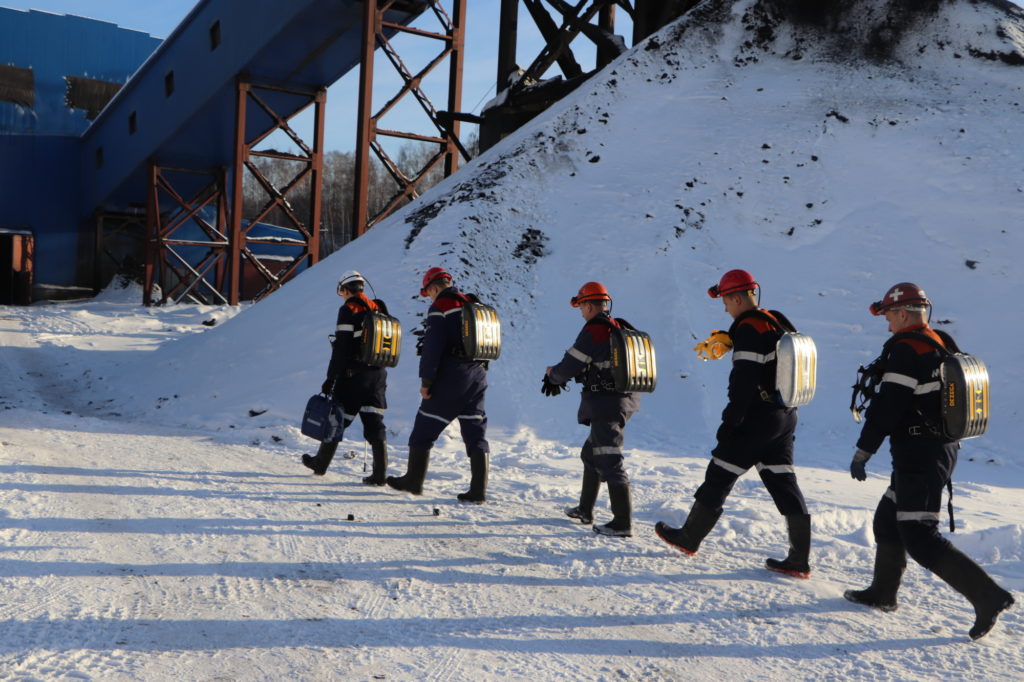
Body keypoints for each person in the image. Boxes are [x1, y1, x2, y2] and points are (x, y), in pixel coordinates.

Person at [844, 282, 1014, 640]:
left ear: (903, 313)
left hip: (921, 456)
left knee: (920, 535)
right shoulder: (938, 342)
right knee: (888, 520)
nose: (887, 323)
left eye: (889, 315)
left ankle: (988, 596)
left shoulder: (907, 350)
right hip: (931, 452)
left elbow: (887, 406)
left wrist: (864, 451)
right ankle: (883, 592)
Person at [655, 269, 812, 577]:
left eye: (726, 300)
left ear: (738, 297)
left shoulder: (751, 328)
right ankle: (799, 559)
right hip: (785, 416)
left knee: (719, 474)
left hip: (757, 418)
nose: (725, 307)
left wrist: (731, 421)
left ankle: (689, 536)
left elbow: (743, 381)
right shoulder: (775, 320)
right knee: (783, 483)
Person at [545, 282, 641, 537]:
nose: (581, 312)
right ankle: (585, 509)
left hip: (606, 403)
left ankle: (622, 522)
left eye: (581, 307)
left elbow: (571, 364)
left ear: (588, 305)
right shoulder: (618, 326)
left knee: (609, 458)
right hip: (622, 400)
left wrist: (553, 375)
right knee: (591, 454)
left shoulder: (596, 329)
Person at [387, 267, 490, 503]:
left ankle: (413, 481)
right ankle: (478, 491)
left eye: (428, 292)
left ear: (433, 287)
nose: (429, 297)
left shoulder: (441, 307)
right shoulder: (471, 304)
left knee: (423, 431)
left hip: (452, 377)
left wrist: (427, 381)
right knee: (475, 433)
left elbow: (432, 348)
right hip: (478, 375)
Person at [301, 270, 389, 485]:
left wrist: (331, 377)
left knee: (336, 419)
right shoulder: (378, 307)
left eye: (340, 291)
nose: (341, 295)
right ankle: (379, 475)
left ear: (345, 289)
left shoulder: (349, 309)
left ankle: (320, 464)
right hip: (378, 375)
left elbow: (341, 348)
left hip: (354, 376)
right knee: (375, 422)